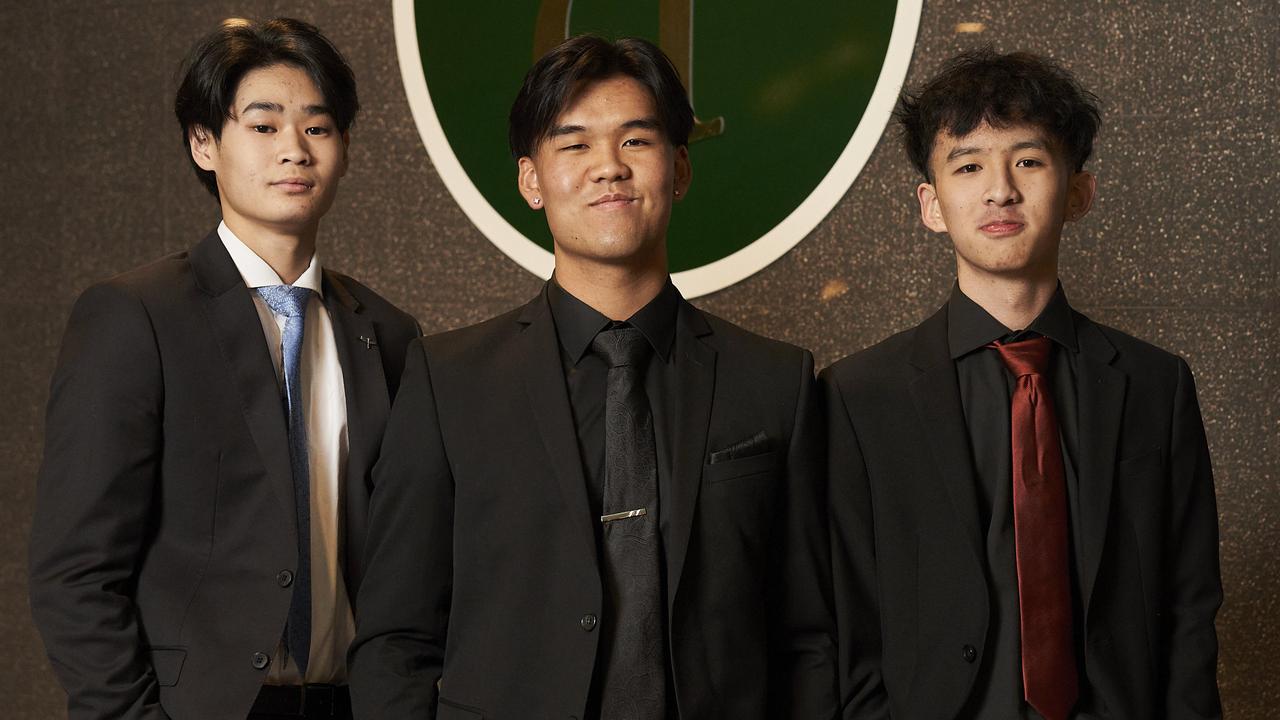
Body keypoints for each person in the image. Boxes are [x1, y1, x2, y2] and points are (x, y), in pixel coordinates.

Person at [348, 34, 837, 720]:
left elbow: (809, 639)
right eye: (574, 144)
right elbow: (397, 639)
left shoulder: (775, 381)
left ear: (681, 169)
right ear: (531, 181)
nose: (608, 167)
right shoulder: (448, 380)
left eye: (636, 141)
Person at [28, 17, 420, 720]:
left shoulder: (387, 333)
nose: (294, 151)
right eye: (264, 127)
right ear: (204, 144)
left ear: (346, 147)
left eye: (319, 128)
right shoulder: (135, 316)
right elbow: (76, 571)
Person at [822, 48, 1222, 720]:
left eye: (1029, 161)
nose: (1000, 189)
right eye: (969, 165)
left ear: (1077, 193)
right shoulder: (859, 397)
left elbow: (1190, 609)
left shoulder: (1158, 387)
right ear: (931, 204)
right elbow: (841, 621)